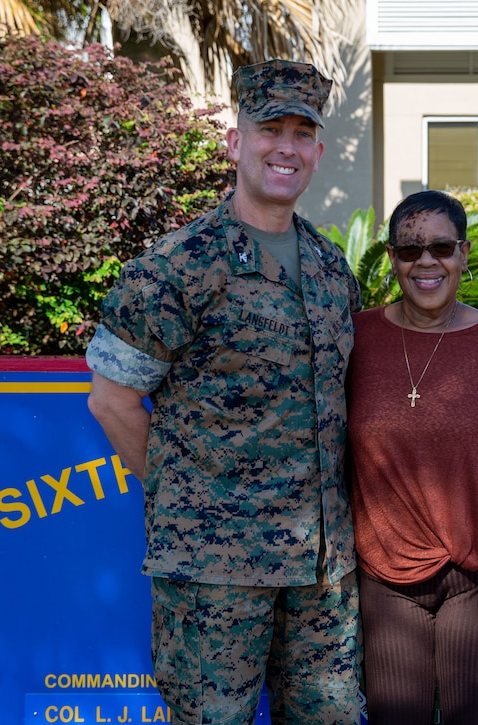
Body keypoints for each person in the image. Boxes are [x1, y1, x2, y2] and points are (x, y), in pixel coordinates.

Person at [84, 59, 362, 725]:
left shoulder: (331, 270)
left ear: (318, 152)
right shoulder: (177, 268)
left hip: (324, 575)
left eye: (302, 132)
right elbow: (112, 400)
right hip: (214, 573)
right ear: (237, 142)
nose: (287, 147)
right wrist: (191, 499)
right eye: (270, 129)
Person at [347, 190, 478, 725]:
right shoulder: (355, 339)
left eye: (441, 247)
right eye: (410, 250)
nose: (426, 262)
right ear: (391, 258)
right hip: (386, 576)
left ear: (463, 253)